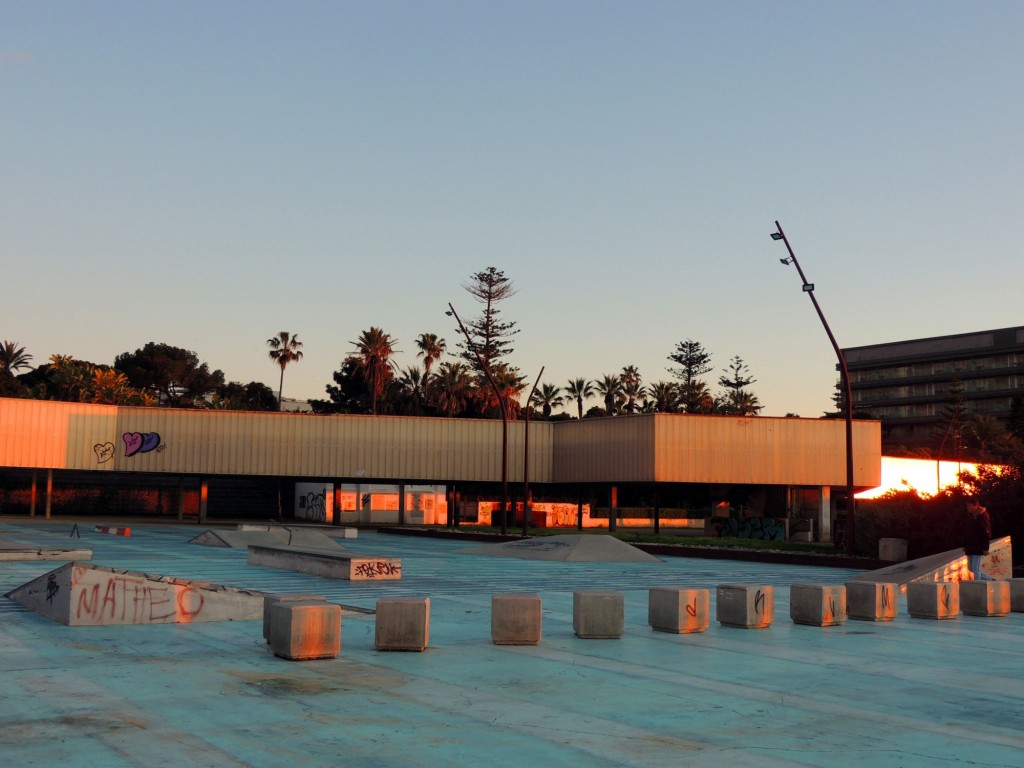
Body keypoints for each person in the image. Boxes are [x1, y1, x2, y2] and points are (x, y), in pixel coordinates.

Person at [964, 497, 992, 581]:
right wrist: (965, 544)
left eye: (970, 506)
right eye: (967, 506)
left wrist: (985, 548)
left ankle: (978, 587)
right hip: (970, 546)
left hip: (978, 546)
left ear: (976, 506)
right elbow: (967, 531)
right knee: (971, 569)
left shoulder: (983, 516)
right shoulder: (970, 516)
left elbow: (986, 532)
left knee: (976, 569)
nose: (968, 508)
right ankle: (990, 580)